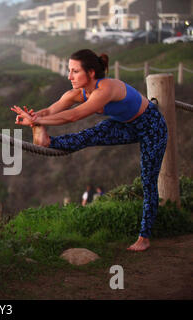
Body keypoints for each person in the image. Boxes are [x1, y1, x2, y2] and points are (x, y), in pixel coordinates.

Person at [11, 49, 167, 252]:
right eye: (69, 70)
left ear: (91, 72)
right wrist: (32, 117)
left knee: (148, 180)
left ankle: (144, 237)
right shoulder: (77, 92)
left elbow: (74, 115)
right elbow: (51, 110)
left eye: (75, 71)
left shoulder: (107, 88)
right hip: (125, 125)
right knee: (89, 135)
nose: (69, 76)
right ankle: (47, 141)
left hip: (151, 126)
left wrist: (37, 121)